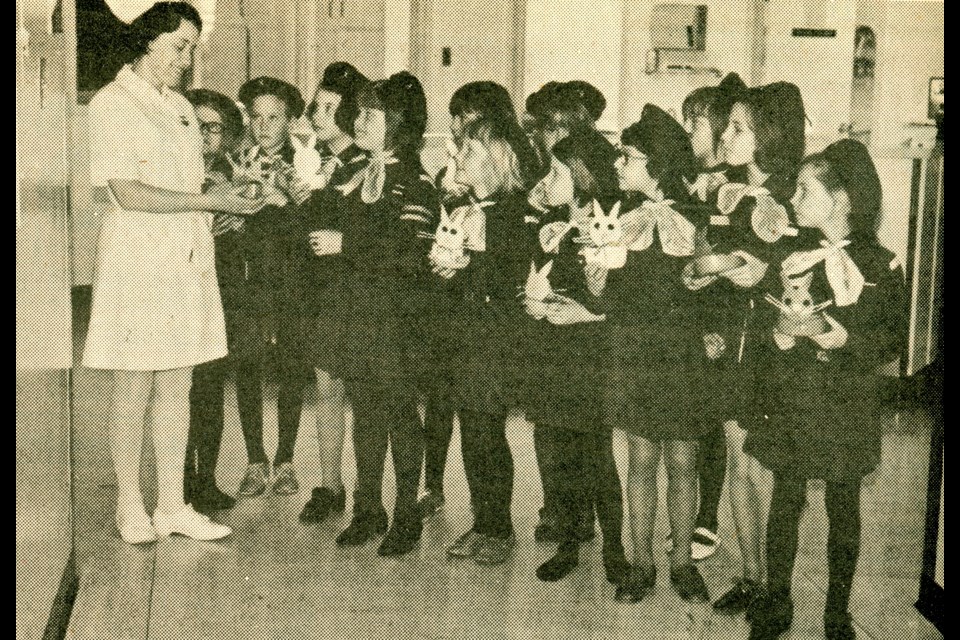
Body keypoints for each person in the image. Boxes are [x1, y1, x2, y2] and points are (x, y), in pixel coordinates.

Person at [83, 1, 264, 544]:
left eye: (192, 48)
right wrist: (209, 201)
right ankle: (129, 505)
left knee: (178, 383)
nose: (186, 59)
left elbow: (191, 186)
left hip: (186, 259)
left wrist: (229, 197)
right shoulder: (113, 104)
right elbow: (126, 192)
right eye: (178, 46)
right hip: (137, 260)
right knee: (134, 382)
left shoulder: (182, 107)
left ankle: (172, 506)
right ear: (147, 39)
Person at [745, 140, 905, 640]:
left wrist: (837, 336)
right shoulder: (795, 257)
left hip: (846, 404)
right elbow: (773, 320)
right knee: (785, 501)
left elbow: (890, 340)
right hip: (795, 399)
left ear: (841, 200)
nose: (792, 200)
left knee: (843, 506)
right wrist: (782, 335)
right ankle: (777, 602)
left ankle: (837, 611)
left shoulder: (882, 265)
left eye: (804, 190)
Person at [683, 81, 811, 618]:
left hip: (773, 349)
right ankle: (751, 576)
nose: (728, 136)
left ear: (769, 136)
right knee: (738, 461)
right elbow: (719, 258)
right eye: (729, 126)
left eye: (739, 128)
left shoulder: (791, 197)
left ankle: (772, 584)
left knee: (763, 468)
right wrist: (701, 275)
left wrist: (739, 271)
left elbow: (785, 272)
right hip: (733, 346)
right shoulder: (730, 190)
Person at [587, 105, 710, 602]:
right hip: (634, 351)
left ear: (656, 164)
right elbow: (608, 292)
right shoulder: (618, 218)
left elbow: (712, 285)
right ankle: (641, 563)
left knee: (683, 461)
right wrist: (597, 284)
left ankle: (681, 561)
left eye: (628, 157)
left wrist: (710, 311)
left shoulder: (699, 217)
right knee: (640, 459)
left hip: (681, 355)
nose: (618, 166)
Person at [325, 72, 439, 557]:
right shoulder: (354, 174)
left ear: (398, 123)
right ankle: (367, 508)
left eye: (372, 115)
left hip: (398, 319)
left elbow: (413, 252)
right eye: (361, 113)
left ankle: (407, 515)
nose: (359, 122)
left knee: (399, 415)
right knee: (365, 413)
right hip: (355, 314)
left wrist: (347, 244)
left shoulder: (414, 181)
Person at [419, 81, 540, 519]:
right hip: (466, 335)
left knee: (487, 434)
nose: (455, 158)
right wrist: (452, 270)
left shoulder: (506, 213)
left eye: (466, 152)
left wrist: (465, 265)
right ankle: (483, 517)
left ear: (493, 163)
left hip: (493, 340)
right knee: (472, 431)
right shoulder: (471, 207)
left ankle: (497, 523)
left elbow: (501, 274)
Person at [521, 128, 630, 593]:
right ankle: (567, 542)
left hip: (590, 360)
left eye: (558, 171)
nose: (550, 179)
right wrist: (533, 303)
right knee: (553, 456)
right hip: (548, 356)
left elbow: (623, 300)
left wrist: (588, 310)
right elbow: (531, 281)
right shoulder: (551, 229)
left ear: (583, 176)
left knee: (597, 460)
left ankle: (614, 551)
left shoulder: (612, 229)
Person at [523, 79, 607, 543]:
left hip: (585, 320)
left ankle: (585, 512)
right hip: (547, 309)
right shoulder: (547, 175)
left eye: (549, 128)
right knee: (545, 420)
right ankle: (555, 505)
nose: (541, 138)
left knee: (584, 430)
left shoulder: (588, 168)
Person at [295, 61, 370, 525]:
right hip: (322, 287)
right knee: (326, 385)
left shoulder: (365, 163)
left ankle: (367, 492)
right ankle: (329, 483)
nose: (317, 115)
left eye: (328, 108)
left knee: (359, 391)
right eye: (316, 105)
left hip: (356, 288)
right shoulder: (319, 161)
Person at [677, 72, 748, 561]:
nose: (691, 135)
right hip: (692, 305)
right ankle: (695, 513)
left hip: (725, 315)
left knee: (718, 421)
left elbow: (735, 257)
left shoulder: (737, 186)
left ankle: (708, 517)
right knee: (697, 415)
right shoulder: (691, 179)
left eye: (695, 124)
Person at [229, 75, 310, 499]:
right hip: (250, 278)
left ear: (290, 120)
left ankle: (286, 459)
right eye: (255, 117)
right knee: (248, 364)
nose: (263, 126)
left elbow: (317, 221)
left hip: (295, 279)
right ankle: (255, 460)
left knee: (293, 366)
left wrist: (289, 194)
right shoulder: (236, 158)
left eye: (273, 118)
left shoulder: (309, 161)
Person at [183, 87, 246, 514]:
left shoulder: (233, 171)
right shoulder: (175, 172)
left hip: (222, 285)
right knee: (178, 389)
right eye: (196, 126)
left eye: (214, 128)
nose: (206, 136)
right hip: (180, 282)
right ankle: (181, 478)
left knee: (210, 388)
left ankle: (206, 479)